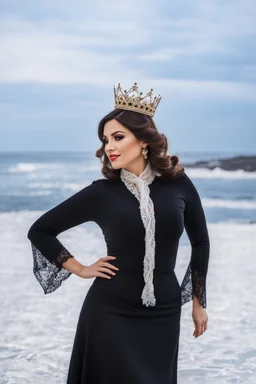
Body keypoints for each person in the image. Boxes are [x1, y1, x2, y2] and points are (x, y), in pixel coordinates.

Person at [27, 82, 210, 383]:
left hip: (163, 311)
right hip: (109, 311)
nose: (108, 147)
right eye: (105, 139)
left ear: (144, 141)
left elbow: (200, 242)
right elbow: (41, 230)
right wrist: (81, 269)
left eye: (118, 137)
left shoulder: (178, 183)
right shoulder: (101, 193)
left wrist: (198, 303)